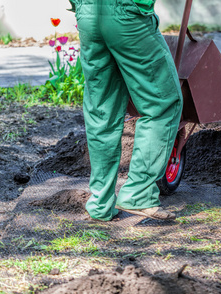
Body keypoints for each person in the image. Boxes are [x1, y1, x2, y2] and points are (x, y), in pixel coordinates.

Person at [69, 0, 183, 221]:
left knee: (101, 111)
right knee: (163, 102)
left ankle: (100, 203)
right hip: (125, 14)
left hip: (88, 13)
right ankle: (138, 194)